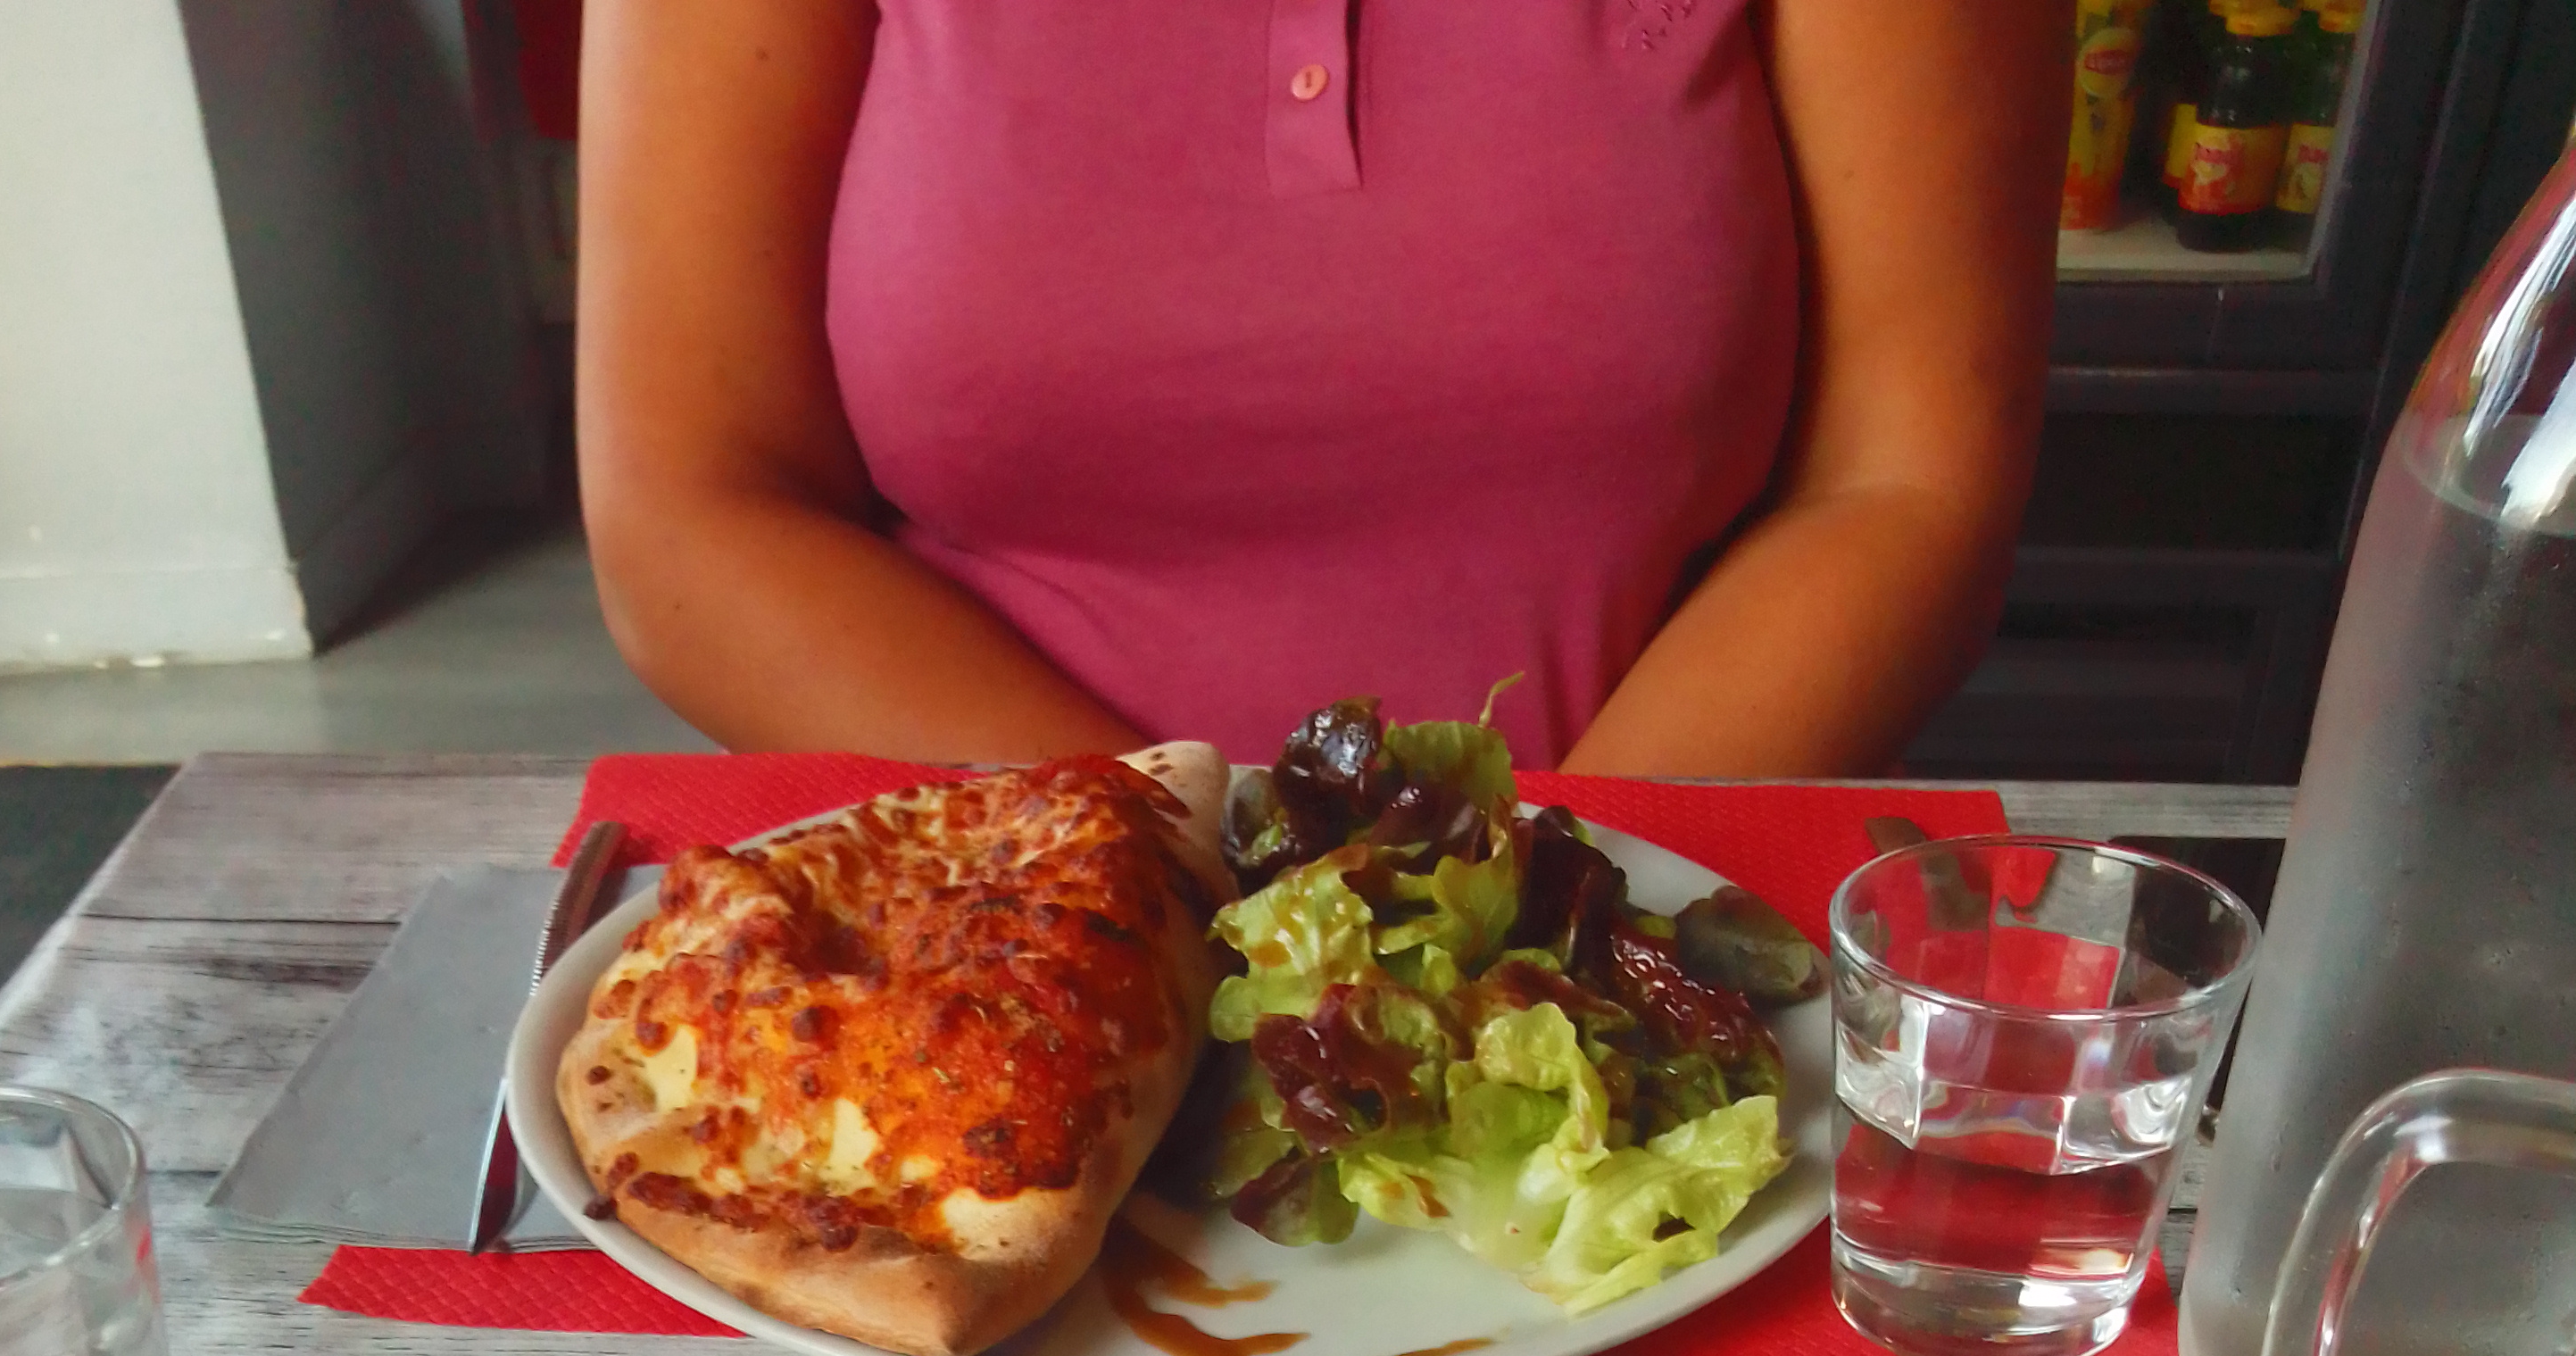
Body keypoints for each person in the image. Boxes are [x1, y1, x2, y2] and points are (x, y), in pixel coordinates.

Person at [577, 0, 2063, 776]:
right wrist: (1168, 893)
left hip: (1662, 938)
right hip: (994, 910)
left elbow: (1902, 486)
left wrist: (1534, 934)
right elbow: (695, 508)